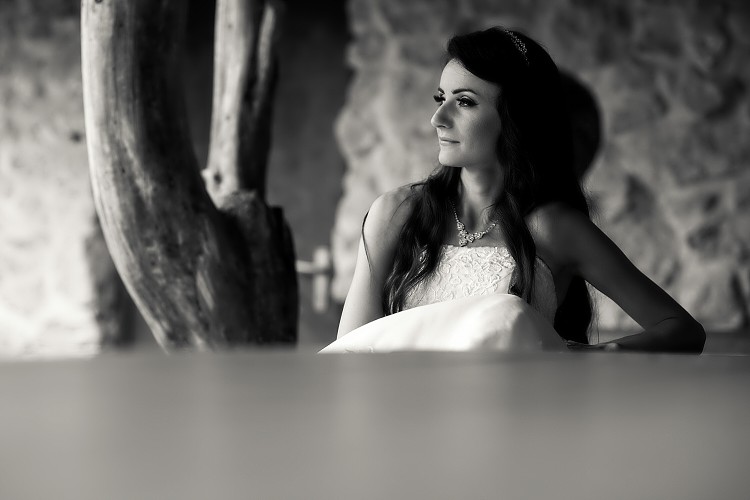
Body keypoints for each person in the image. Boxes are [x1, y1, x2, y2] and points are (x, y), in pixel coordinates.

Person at [323, 27, 705, 353]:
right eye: (441, 98)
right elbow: (350, 352)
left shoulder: (551, 227)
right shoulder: (396, 213)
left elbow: (682, 330)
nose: (438, 118)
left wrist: (595, 356)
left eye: (464, 102)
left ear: (515, 118)